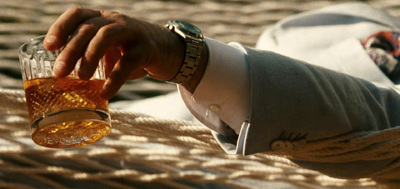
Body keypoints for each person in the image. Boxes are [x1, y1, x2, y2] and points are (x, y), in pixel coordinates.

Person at [43, 2, 400, 182]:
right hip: (153, 120)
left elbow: (385, 129)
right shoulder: (350, 16)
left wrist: (185, 56)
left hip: (249, 163)